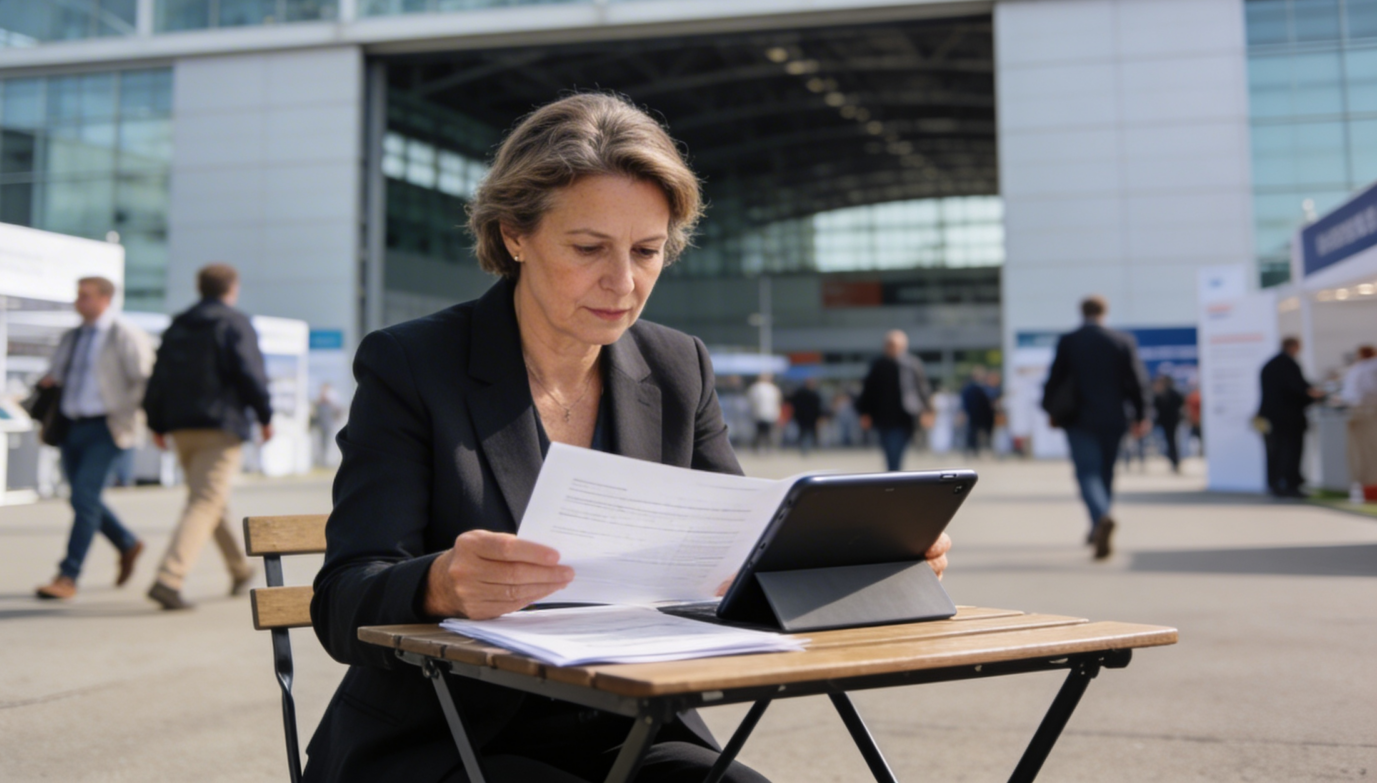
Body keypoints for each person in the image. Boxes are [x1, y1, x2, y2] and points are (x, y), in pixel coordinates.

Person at [303, 93, 952, 783]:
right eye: (588, 249)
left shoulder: (676, 367)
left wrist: (860, 563)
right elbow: (343, 600)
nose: (624, 282)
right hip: (447, 738)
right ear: (514, 234)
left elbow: (740, 555)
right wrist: (438, 584)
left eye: (648, 251)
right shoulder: (414, 364)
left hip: (630, 729)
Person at [143, 263, 273, 610]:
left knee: (210, 499)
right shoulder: (234, 322)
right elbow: (250, 373)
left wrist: (156, 423)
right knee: (204, 501)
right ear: (232, 287)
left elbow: (158, 377)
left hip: (182, 427)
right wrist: (265, 416)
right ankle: (169, 578)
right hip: (221, 426)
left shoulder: (178, 325)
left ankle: (239, 569)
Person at [34, 276, 154, 601]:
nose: (79, 301)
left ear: (105, 299)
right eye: (78, 295)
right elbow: (56, 376)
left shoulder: (124, 333)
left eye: (85, 296)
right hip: (71, 425)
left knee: (84, 498)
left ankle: (67, 575)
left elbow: (144, 379)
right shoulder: (73, 337)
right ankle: (127, 542)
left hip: (107, 427)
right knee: (80, 498)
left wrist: (133, 416)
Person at [1043, 296, 1150, 560]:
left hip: (1078, 419)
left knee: (1087, 473)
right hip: (1114, 419)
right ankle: (1099, 523)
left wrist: (1050, 410)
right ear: (1105, 311)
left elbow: (1055, 379)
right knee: (1106, 473)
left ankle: (1100, 518)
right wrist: (1142, 415)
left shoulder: (1070, 341)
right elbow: (1137, 381)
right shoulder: (1122, 341)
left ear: (1082, 312)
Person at [1257, 337, 1324, 498]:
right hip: (1287, 418)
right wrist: (1314, 395)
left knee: (1275, 452)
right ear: (1293, 346)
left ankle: (1277, 483)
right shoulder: (1286, 364)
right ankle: (1288, 484)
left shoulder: (1272, 364)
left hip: (1272, 416)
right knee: (1289, 451)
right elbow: (1296, 388)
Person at [857, 330, 931, 471]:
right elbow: (868, 391)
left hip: (906, 416)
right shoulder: (878, 365)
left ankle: (894, 475)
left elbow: (922, 389)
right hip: (884, 416)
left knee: (898, 449)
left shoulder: (912, 364)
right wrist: (864, 413)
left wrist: (928, 410)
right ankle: (894, 476)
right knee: (890, 450)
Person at [1340, 345, 1377, 501]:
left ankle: (1369, 490)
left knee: (1367, 455)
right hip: (1362, 412)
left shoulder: (1366, 368)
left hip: (1365, 412)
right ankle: (1367, 491)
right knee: (1365, 455)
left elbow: (1370, 389)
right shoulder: (1363, 368)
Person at [1151, 374, 1185, 473]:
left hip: (1171, 421)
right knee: (1170, 442)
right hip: (1167, 422)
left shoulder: (1171, 393)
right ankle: (1173, 460)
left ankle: (1174, 461)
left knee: (1171, 442)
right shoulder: (1161, 394)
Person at [960, 366, 995, 455]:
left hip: (979, 414)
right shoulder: (974, 388)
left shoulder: (980, 387)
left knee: (975, 433)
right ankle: (973, 450)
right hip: (975, 414)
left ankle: (974, 450)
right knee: (973, 433)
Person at [312, 382, 347, 468]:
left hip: (330, 425)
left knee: (330, 444)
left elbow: (338, 411)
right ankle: (322, 462)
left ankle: (328, 462)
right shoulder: (319, 403)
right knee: (321, 444)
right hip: (322, 426)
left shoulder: (332, 402)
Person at [746, 373, 781, 453]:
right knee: (767, 432)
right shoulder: (773, 388)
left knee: (759, 432)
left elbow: (751, 401)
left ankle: (760, 448)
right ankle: (767, 448)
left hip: (759, 413)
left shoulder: (755, 388)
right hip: (769, 414)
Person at [788, 378, 824, 454]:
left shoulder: (801, 393)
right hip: (806, 417)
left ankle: (805, 447)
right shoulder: (813, 394)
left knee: (805, 432)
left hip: (805, 417)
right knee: (807, 432)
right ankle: (806, 448)